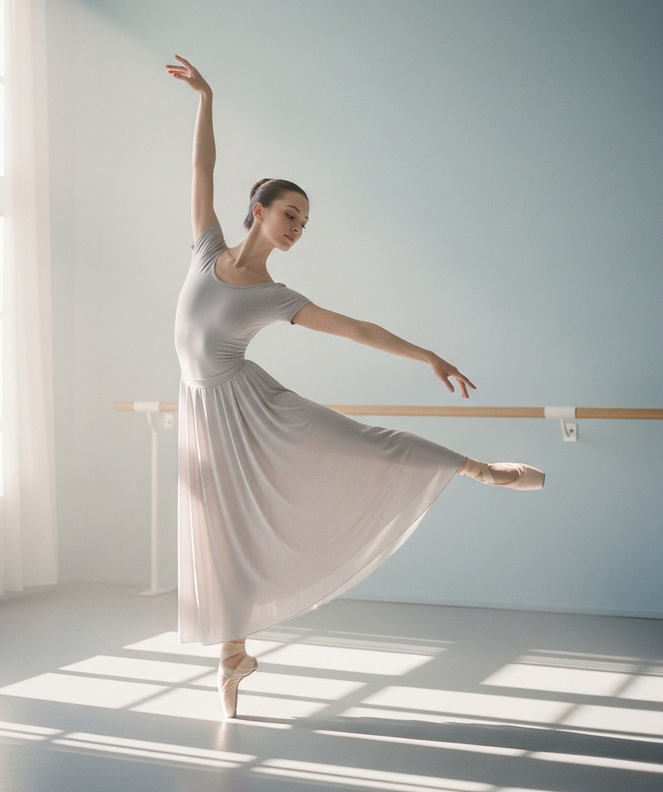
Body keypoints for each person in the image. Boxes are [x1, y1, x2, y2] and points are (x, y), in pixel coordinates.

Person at [166, 55, 544, 718]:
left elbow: (357, 330)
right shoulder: (207, 249)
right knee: (219, 529)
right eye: (290, 213)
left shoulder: (275, 295)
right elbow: (202, 169)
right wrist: (207, 97)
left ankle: (482, 471)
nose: (297, 227)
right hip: (201, 409)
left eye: (305, 221)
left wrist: (427, 354)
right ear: (257, 211)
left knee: (365, 443)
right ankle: (233, 656)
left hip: (250, 405)